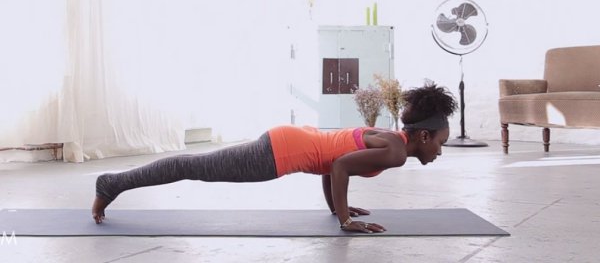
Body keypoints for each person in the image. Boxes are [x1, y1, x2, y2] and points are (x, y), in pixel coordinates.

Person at [92, 82, 457, 233]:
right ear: (423, 135)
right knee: (192, 166)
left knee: (194, 166)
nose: (439, 151)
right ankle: (113, 183)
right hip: (281, 152)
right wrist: (345, 220)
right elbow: (340, 165)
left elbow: (335, 161)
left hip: (289, 141)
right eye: (439, 142)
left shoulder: (392, 140)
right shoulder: (394, 152)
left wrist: (336, 210)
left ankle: (115, 183)